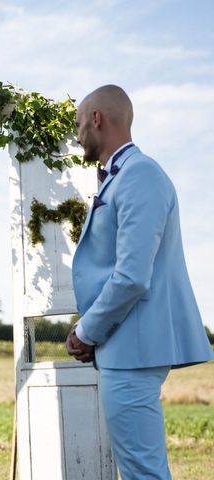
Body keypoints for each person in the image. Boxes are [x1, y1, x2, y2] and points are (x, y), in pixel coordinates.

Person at [66, 85, 214, 479]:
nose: (78, 135)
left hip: (134, 348)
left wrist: (87, 331)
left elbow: (132, 275)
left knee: (142, 472)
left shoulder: (140, 174)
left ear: (97, 119)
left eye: (80, 124)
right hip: (126, 346)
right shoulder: (126, 175)